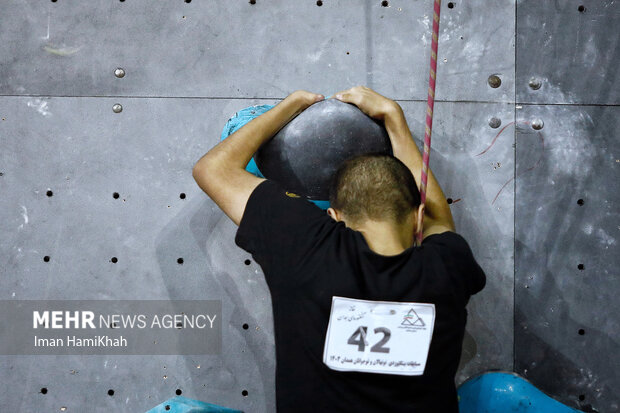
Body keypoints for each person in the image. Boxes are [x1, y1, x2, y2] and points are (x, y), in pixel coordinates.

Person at [192, 86, 486, 412]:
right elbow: (436, 216)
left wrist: (293, 105)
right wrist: (394, 119)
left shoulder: (305, 247)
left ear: (333, 217)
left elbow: (212, 169)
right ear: (416, 218)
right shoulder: (446, 266)